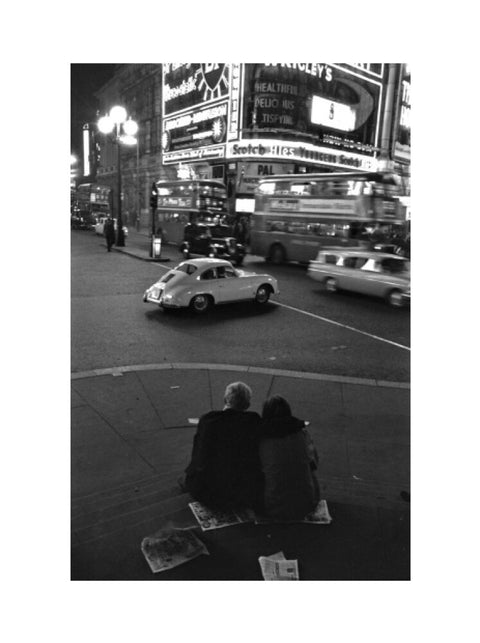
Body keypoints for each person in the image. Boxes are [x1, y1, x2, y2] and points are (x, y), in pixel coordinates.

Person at [184, 382, 263, 510]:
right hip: (242, 492)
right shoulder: (253, 420)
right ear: (247, 404)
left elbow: (198, 455)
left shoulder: (208, 420)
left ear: (225, 399)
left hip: (206, 490)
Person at [258, 395, 320, 521]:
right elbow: (314, 463)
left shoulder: (261, 438)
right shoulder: (302, 433)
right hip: (306, 503)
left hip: (272, 506)